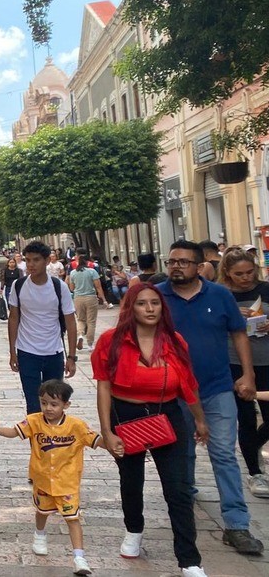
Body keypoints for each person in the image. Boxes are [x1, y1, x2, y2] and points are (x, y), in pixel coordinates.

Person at [93, 283, 210, 576]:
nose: (149, 309)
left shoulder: (174, 341)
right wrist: (107, 431)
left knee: (179, 488)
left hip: (166, 414)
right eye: (142, 304)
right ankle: (134, 530)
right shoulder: (112, 341)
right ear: (130, 308)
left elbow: (188, 383)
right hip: (126, 415)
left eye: (155, 304)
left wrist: (199, 419)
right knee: (131, 481)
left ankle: (189, 559)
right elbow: (104, 386)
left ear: (162, 308)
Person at [158, 240, 263, 556]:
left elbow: (239, 334)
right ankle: (185, 494)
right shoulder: (157, 297)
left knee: (223, 454)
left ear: (199, 265)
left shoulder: (220, 296)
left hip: (217, 388)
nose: (177, 266)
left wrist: (247, 374)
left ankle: (236, 524)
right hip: (174, 391)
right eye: (172, 261)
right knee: (182, 451)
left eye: (184, 262)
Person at [0, 380, 100, 576]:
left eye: (54, 404)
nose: (48, 408)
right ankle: (40, 534)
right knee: (42, 511)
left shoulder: (76, 425)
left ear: (65, 405)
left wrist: (113, 443)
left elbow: (95, 439)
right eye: (44, 403)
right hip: (42, 480)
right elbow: (14, 432)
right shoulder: (33, 421)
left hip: (67, 483)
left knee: (72, 518)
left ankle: (79, 558)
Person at [216, 249, 269, 498]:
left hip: (266, 359)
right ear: (228, 273)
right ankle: (254, 471)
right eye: (239, 274)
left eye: (249, 272)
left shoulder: (266, 289)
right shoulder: (221, 295)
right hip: (235, 361)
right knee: (246, 416)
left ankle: (254, 445)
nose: (245, 278)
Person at [8, 241, 79, 414]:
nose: (31, 264)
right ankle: (37, 440)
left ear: (47, 261)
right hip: (27, 352)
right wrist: (12, 352)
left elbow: (70, 321)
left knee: (54, 404)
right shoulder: (18, 286)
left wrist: (71, 356)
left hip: (53, 352)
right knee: (33, 405)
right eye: (28, 260)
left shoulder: (58, 287)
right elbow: (14, 318)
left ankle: (52, 439)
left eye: (36, 260)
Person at [68, 253, 107, 350]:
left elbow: (72, 288)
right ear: (87, 262)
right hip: (91, 297)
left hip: (78, 298)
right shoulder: (92, 271)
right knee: (91, 321)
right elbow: (98, 287)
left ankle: (80, 335)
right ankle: (90, 344)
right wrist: (104, 299)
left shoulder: (73, 273)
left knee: (81, 319)